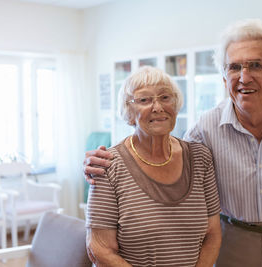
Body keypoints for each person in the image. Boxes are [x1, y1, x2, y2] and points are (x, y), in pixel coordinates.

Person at [84, 19, 262, 267]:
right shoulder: (205, 129)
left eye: (255, 65)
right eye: (234, 67)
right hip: (236, 244)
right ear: (224, 79)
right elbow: (167, 161)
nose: (244, 77)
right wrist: (97, 161)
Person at [85, 66, 222, 267]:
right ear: (129, 112)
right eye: (144, 100)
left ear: (176, 105)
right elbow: (99, 249)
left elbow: (213, 234)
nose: (157, 107)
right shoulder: (107, 165)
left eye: (165, 97)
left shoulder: (200, 158)